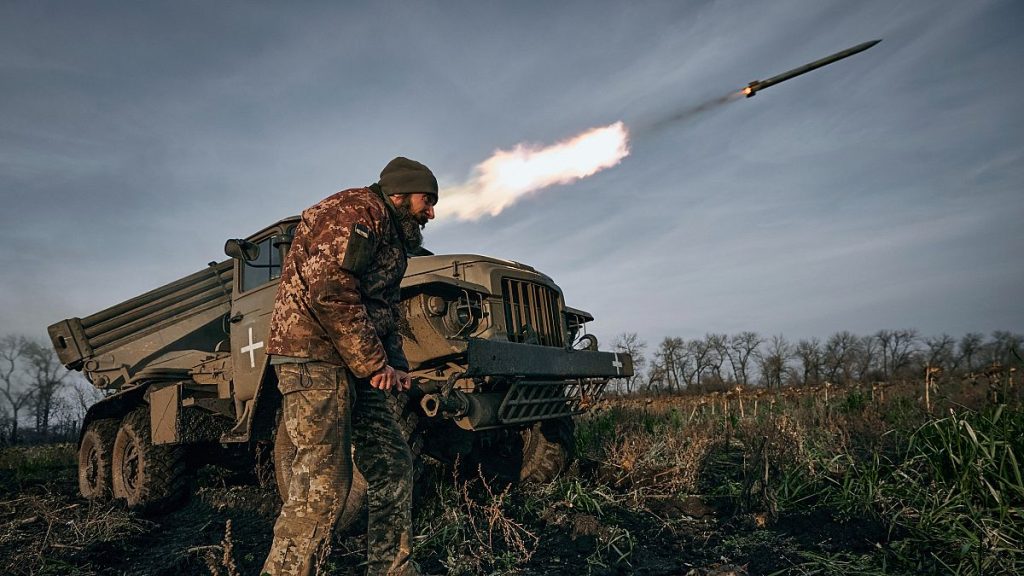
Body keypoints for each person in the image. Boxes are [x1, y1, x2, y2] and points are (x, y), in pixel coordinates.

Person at [261, 157, 438, 576]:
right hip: (314, 358)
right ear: (399, 194)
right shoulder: (356, 212)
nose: (431, 213)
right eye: (426, 200)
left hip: (354, 364)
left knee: (393, 464)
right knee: (322, 485)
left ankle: (391, 568)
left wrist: (396, 367)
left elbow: (384, 311)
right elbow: (331, 291)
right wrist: (375, 364)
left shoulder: (392, 236)